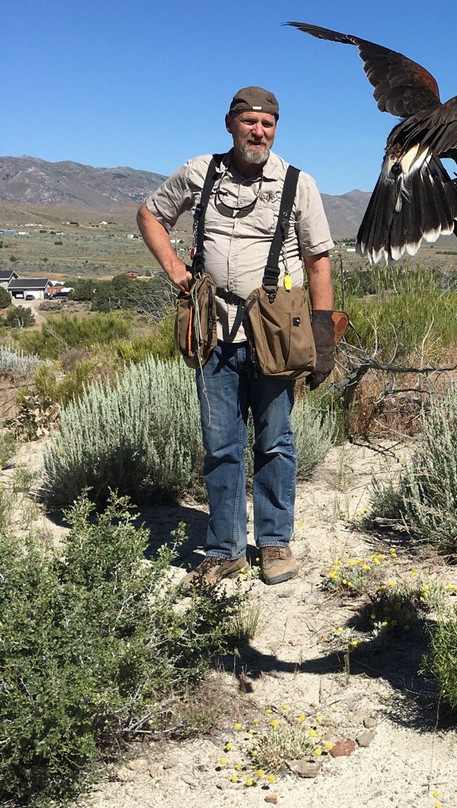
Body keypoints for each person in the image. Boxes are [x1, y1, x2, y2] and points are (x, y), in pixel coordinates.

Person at [137, 86, 335, 587]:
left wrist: (322, 331)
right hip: (213, 330)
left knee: (275, 441)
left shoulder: (297, 183)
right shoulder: (199, 173)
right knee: (221, 444)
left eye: (267, 124)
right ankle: (225, 548)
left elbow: (318, 260)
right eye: (249, 121)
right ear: (230, 123)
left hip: (276, 335)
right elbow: (150, 215)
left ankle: (274, 545)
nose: (259, 131)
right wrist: (175, 269)